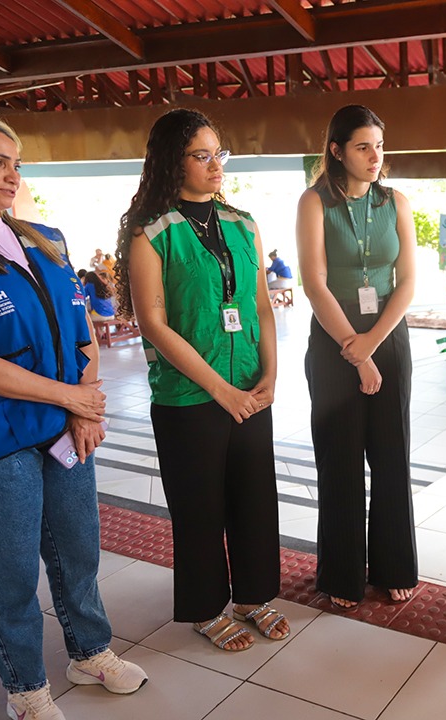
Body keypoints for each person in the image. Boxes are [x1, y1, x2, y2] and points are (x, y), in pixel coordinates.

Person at [0, 108, 146, 720]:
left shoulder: (45, 240)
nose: (12, 176)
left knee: (78, 553)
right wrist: (72, 400)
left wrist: (87, 406)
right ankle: (26, 691)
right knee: (10, 574)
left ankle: (90, 652)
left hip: (63, 428)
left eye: (16, 164)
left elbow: (81, 331)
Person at [115, 108, 289, 651]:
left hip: (250, 387)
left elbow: (260, 305)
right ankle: (207, 607)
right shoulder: (151, 231)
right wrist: (221, 391)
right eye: (202, 155)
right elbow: (154, 324)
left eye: (220, 154)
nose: (216, 166)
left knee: (255, 498)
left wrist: (271, 375)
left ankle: (254, 597)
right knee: (199, 508)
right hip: (189, 396)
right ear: (173, 160)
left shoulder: (242, 223)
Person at [296, 104, 418, 609]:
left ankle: (394, 566)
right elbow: (314, 283)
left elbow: (407, 282)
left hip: (388, 334)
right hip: (334, 339)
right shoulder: (314, 202)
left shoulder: (396, 202)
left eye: (379, 146)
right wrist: (356, 349)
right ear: (337, 150)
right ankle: (341, 575)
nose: (375, 156)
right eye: (363, 146)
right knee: (340, 460)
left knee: (392, 457)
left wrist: (373, 343)